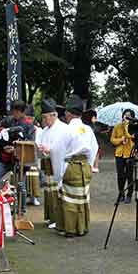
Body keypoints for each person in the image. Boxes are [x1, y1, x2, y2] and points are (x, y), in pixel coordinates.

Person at [57, 96, 99, 237]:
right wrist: (89, 165)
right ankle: (82, 227)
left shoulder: (66, 130)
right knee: (82, 197)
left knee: (69, 199)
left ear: (68, 113)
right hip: (84, 166)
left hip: (71, 165)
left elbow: (60, 151)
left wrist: (60, 172)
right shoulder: (87, 129)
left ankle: (70, 229)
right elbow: (94, 148)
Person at [36, 99, 69, 229]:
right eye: (43, 117)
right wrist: (41, 149)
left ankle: (58, 219)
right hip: (48, 164)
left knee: (57, 192)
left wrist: (50, 150)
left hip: (60, 164)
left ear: (54, 115)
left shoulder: (64, 129)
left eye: (46, 117)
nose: (44, 120)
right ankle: (51, 217)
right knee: (49, 192)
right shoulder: (44, 130)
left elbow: (63, 148)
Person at [0, 100, 36, 186]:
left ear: (22, 112)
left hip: (20, 162)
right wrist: (3, 133)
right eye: (13, 111)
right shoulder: (7, 120)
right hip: (4, 158)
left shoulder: (29, 126)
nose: (15, 113)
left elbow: (30, 144)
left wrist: (15, 149)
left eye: (17, 111)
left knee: (20, 186)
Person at [110, 109, 136, 204]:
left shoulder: (133, 127)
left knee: (129, 175)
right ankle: (121, 193)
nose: (126, 117)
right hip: (119, 153)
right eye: (125, 115)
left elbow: (131, 136)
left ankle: (129, 194)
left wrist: (126, 127)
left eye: (128, 115)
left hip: (130, 154)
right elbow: (112, 139)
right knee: (120, 175)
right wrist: (120, 140)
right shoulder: (117, 126)